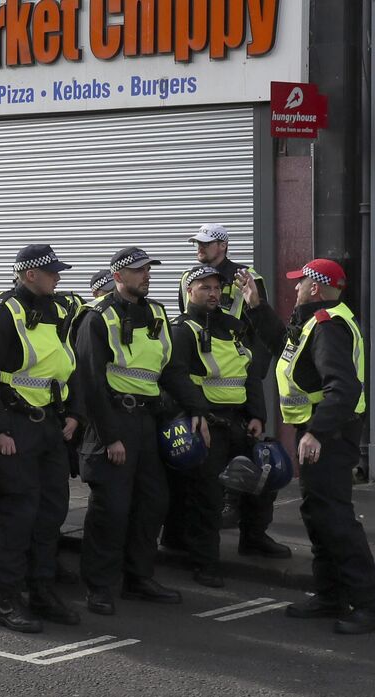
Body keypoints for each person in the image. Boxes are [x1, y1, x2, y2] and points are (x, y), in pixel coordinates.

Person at [75, 248, 208, 617]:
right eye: (138, 271)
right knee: (111, 509)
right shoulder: (98, 318)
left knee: (153, 503)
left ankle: (138, 578)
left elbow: (172, 370)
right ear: (118, 277)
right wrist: (109, 436)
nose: (146, 275)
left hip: (146, 423)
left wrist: (197, 407)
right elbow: (91, 383)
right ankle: (99, 586)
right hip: (113, 421)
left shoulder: (158, 314)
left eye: (148, 269)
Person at [0, 244, 83, 633]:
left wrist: (74, 415)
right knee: (16, 517)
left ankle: (41, 592)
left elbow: (68, 368)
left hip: (50, 426)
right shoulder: (3, 313)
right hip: (15, 427)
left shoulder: (57, 310)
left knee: (50, 514)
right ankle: (8, 600)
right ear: (29, 274)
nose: (58, 277)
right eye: (52, 272)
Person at [268, 259, 375, 634]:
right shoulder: (315, 321)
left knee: (335, 518)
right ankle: (329, 594)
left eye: (299, 283)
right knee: (317, 514)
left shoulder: (329, 326)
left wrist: (316, 432)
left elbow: (343, 387)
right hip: (318, 431)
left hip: (328, 434)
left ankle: (366, 603)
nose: (294, 289)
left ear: (315, 287)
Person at [179, 223, 289, 556]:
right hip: (207, 394)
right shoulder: (188, 277)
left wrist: (253, 378)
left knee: (261, 465)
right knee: (207, 481)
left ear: (223, 245)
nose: (200, 248)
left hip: (241, 379)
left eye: (206, 243)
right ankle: (201, 548)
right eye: (197, 243)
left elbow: (263, 329)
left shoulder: (247, 277)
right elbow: (186, 323)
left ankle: (253, 536)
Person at [165, 264, 266, 589]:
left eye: (216, 288)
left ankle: (255, 538)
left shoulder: (234, 327)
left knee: (264, 476)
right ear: (189, 291)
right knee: (206, 496)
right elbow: (175, 375)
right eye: (204, 287)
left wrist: (257, 415)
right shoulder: (182, 330)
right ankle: (205, 562)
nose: (212, 293)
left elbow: (248, 373)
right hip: (206, 421)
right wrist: (197, 413)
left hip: (238, 419)